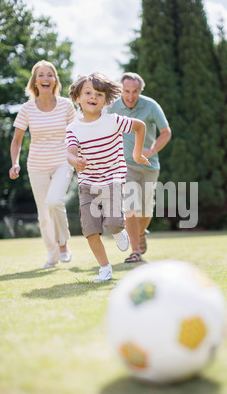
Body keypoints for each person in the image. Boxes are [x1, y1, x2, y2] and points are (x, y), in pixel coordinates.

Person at [66, 72, 150, 282]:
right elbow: (70, 150)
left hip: (112, 179)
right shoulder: (73, 128)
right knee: (91, 230)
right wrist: (75, 161)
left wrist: (137, 154)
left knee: (113, 223)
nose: (93, 97)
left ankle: (117, 230)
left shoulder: (113, 120)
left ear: (105, 100)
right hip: (87, 184)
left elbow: (140, 126)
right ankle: (105, 268)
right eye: (87, 93)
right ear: (77, 98)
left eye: (99, 94)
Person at [10, 60, 76, 269]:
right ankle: (52, 254)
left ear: (55, 80)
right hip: (36, 165)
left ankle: (64, 243)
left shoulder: (66, 105)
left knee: (55, 201)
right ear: (35, 81)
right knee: (43, 214)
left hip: (62, 161)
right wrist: (15, 163)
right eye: (41, 75)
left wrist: (79, 157)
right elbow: (17, 139)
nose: (45, 78)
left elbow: (76, 134)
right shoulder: (27, 108)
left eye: (50, 74)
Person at [107, 72, 172, 263]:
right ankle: (135, 251)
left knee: (146, 210)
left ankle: (141, 233)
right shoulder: (112, 107)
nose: (130, 96)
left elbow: (166, 132)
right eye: (126, 91)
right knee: (130, 206)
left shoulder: (150, 106)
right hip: (124, 164)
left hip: (149, 165)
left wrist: (151, 150)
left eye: (135, 91)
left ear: (140, 91)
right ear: (121, 90)